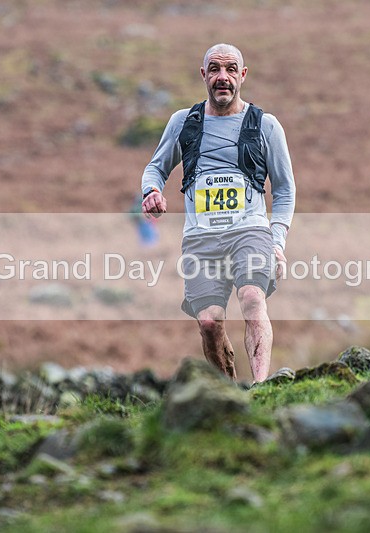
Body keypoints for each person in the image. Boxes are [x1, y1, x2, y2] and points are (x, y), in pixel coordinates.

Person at [140, 43, 296, 384]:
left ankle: (260, 387)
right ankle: (229, 394)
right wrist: (151, 191)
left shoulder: (265, 126)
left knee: (252, 298)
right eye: (214, 69)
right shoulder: (184, 122)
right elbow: (155, 168)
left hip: (250, 231)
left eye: (230, 69)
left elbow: (285, 189)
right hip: (201, 238)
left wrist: (277, 241)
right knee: (209, 322)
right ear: (203, 75)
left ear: (243, 75)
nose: (222, 77)